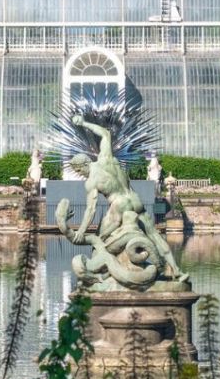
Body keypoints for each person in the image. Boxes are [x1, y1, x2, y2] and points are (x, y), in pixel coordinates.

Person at [70, 115, 187, 282]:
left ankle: (103, 273)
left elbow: (91, 209)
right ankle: (176, 270)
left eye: (78, 171)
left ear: (82, 165)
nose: (80, 174)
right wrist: (84, 123)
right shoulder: (107, 159)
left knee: (99, 238)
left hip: (120, 205)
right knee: (154, 234)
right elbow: (105, 134)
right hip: (135, 200)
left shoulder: (92, 181)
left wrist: (81, 230)